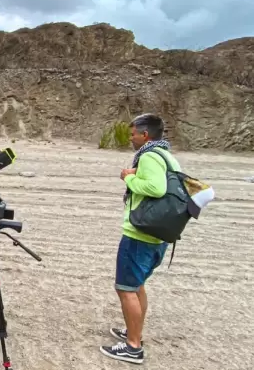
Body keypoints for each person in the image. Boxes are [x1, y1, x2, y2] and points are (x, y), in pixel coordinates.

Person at [100, 113, 179, 364]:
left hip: (139, 235)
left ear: (145, 135)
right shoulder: (167, 155)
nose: (130, 138)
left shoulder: (149, 156)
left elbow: (156, 189)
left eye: (133, 134)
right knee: (137, 285)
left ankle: (133, 346)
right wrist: (138, 174)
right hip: (158, 235)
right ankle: (134, 332)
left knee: (125, 289)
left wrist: (129, 177)